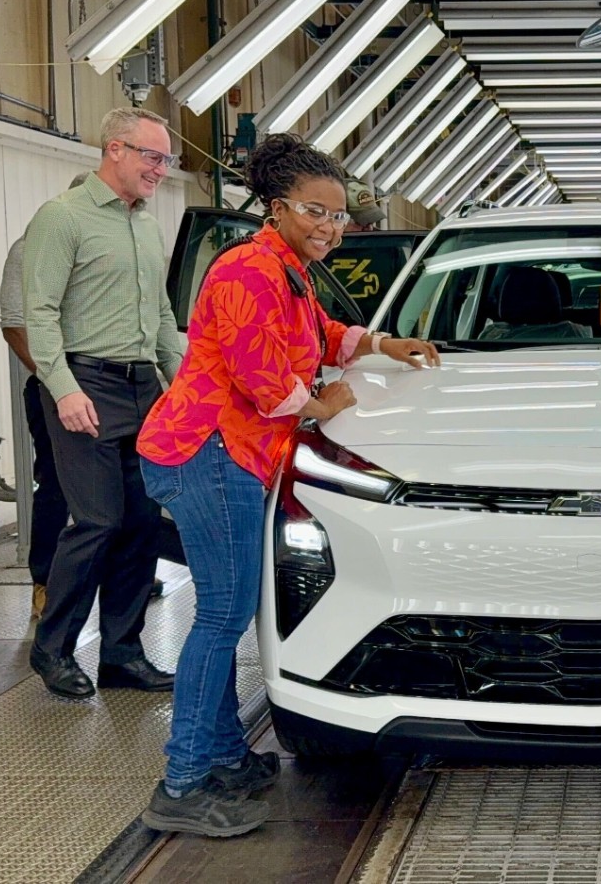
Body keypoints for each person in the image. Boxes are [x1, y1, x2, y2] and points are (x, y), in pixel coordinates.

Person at [135, 133, 439, 837]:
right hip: (206, 449)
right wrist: (328, 405)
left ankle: (222, 754)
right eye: (315, 212)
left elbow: (323, 335)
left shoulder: (289, 271)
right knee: (220, 615)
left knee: (228, 610)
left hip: (232, 453)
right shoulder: (248, 270)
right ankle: (181, 782)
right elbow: (266, 379)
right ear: (276, 208)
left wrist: (383, 345)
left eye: (339, 217)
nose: (331, 228)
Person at [24, 108, 182, 700]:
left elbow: (162, 318)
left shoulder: (148, 226)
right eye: (152, 156)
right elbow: (38, 313)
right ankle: (52, 646)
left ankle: (121, 652)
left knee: (142, 524)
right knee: (96, 521)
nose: (160, 169)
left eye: (165, 159)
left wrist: (184, 390)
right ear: (113, 148)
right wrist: (63, 389)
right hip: (84, 382)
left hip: (142, 384)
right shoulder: (62, 218)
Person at [0, 173, 87, 620]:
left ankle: (120, 573)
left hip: (113, 384)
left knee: (125, 489)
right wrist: (60, 382)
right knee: (56, 483)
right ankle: (45, 582)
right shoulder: (31, 246)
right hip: (56, 387)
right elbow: (15, 326)